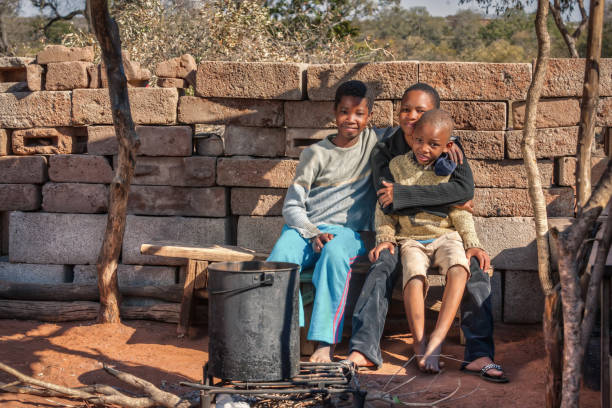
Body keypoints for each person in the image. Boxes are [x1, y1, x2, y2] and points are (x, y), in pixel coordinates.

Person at [348, 83, 507, 382]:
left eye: (420, 110)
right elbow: (386, 200)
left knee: (476, 268)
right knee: (382, 264)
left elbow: (463, 192)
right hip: (401, 234)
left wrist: (406, 195)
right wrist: (439, 197)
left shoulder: (449, 148)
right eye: (406, 109)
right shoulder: (387, 152)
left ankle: (479, 354)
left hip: (447, 232)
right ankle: (365, 349)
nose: (411, 116)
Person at [266, 80, 379, 363]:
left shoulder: (376, 145)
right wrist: (310, 232)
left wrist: (452, 143)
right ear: (334, 113)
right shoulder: (314, 154)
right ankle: (277, 336)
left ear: (369, 117)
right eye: (344, 112)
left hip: (350, 233)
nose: (351, 119)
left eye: (359, 113)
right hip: (307, 228)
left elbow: (417, 131)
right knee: (280, 258)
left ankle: (324, 344)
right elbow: (293, 205)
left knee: (333, 256)